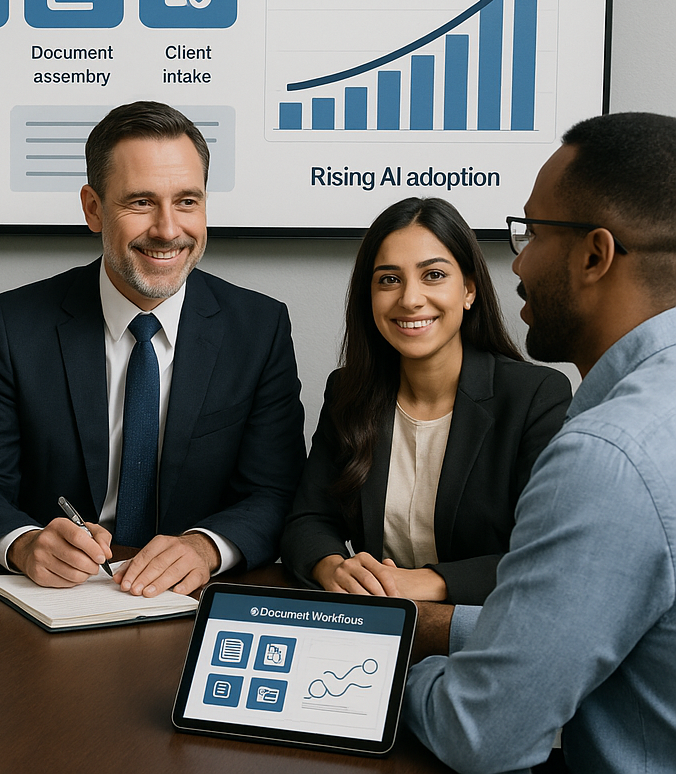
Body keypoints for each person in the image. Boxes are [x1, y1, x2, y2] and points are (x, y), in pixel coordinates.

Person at [0, 101, 305, 597]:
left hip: (194, 600)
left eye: (187, 201)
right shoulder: (15, 324)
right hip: (60, 599)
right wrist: (24, 544)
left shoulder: (259, 328)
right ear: (93, 208)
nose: (169, 229)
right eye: (141, 203)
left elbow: (277, 492)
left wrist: (206, 547)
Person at [405, 112, 676, 773]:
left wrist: (382, 667)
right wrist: (422, 625)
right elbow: (602, 625)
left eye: (531, 231)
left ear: (595, 254)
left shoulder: (607, 457)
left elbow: (482, 734)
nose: (519, 261)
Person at [282, 198, 571, 606]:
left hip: (481, 634)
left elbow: (548, 552)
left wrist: (430, 584)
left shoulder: (536, 396)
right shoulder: (349, 391)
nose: (410, 299)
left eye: (433, 275)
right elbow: (307, 520)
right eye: (388, 280)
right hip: (375, 628)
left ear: (468, 290)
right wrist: (333, 567)